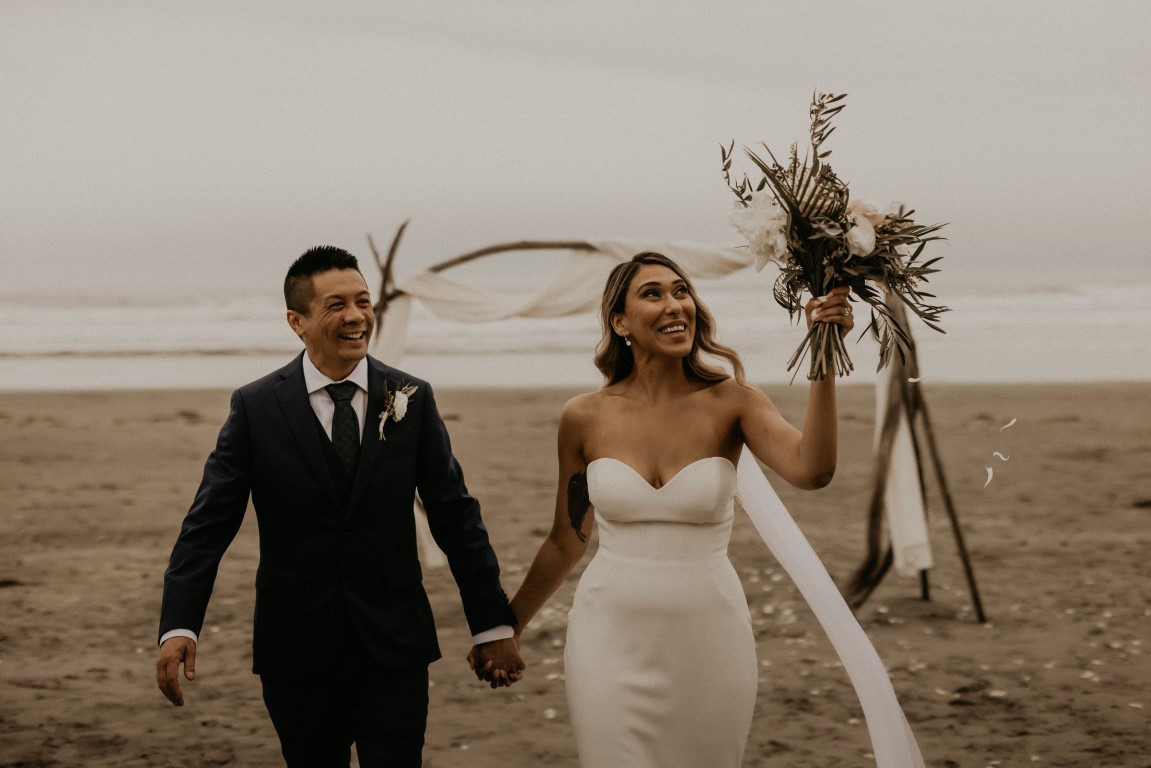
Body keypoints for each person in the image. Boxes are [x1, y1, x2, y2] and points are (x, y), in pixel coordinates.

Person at [155, 245, 524, 767]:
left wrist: (492, 626)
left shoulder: (411, 397)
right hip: (296, 649)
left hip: (394, 644)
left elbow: (455, 514)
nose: (356, 316)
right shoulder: (256, 407)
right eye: (336, 305)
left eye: (363, 302)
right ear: (297, 322)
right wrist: (179, 625)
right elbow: (208, 525)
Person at [503, 251, 855, 767]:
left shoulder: (734, 402)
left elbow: (813, 470)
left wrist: (824, 357)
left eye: (681, 291)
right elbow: (566, 538)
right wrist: (506, 628)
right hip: (607, 638)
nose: (674, 305)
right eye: (653, 294)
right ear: (620, 323)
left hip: (710, 639)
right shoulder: (583, 417)